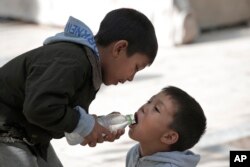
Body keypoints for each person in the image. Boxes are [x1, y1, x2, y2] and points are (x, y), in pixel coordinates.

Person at [0, 8, 158, 167]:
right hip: (6, 133)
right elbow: (40, 107)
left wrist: (93, 128)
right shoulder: (71, 60)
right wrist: (85, 125)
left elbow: (65, 118)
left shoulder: (89, 70)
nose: (131, 78)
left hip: (30, 136)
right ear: (119, 48)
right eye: (136, 68)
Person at [126, 86, 207, 167]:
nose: (145, 107)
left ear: (169, 137)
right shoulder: (134, 153)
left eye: (156, 109)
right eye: (149, 101)